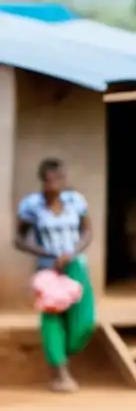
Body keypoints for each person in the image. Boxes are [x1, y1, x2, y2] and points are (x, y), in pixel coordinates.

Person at [14, 158, 95, 393]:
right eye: (51, 180)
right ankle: (60, 371)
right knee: (52, 320)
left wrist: (74, 252)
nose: (56, 184)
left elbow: (87, 231)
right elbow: (18, 239)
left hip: (76, 265)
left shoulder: (75, 201)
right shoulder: (32, 206)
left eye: (60, 178)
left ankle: (62, 354)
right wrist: (46, 253)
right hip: (48, 270)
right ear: (43, 181)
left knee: (85, 321)